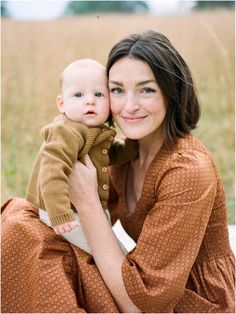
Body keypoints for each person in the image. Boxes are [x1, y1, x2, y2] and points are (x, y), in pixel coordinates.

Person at [1, 30, 235, 313]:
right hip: (138, 281)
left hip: (182, 300)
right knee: (20, 228)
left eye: (146, 89)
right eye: (117, 90)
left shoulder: (187, 170)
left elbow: (145, 303)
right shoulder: (126, 153)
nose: (129, 106)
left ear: (172, 93)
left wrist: (87, 200)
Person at [25, 58, 134, 254]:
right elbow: (52, 172)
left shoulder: (94, 130)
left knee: (110, 244)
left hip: (87, 209)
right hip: (64, 211)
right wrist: (60, 213)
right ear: (61, 103)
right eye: (78, 94)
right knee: (113, 254)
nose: (90, 100)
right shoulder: (66, 132)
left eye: (99, 94)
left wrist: (133, 146)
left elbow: (108, 154)